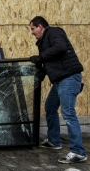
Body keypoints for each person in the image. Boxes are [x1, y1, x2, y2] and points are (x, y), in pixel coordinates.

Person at [29, 16, 87, 163]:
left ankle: (78, 152)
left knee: (68, 114)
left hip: (68, 78)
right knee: (50, 106)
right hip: (61, 79)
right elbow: (55, 59)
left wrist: (41, 58)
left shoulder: (54, 32)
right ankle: (54, 141)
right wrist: (43, 70)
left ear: (40, 26)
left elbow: (60, 48)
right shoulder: (44, 40)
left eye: (32, 28)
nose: (32, 32)